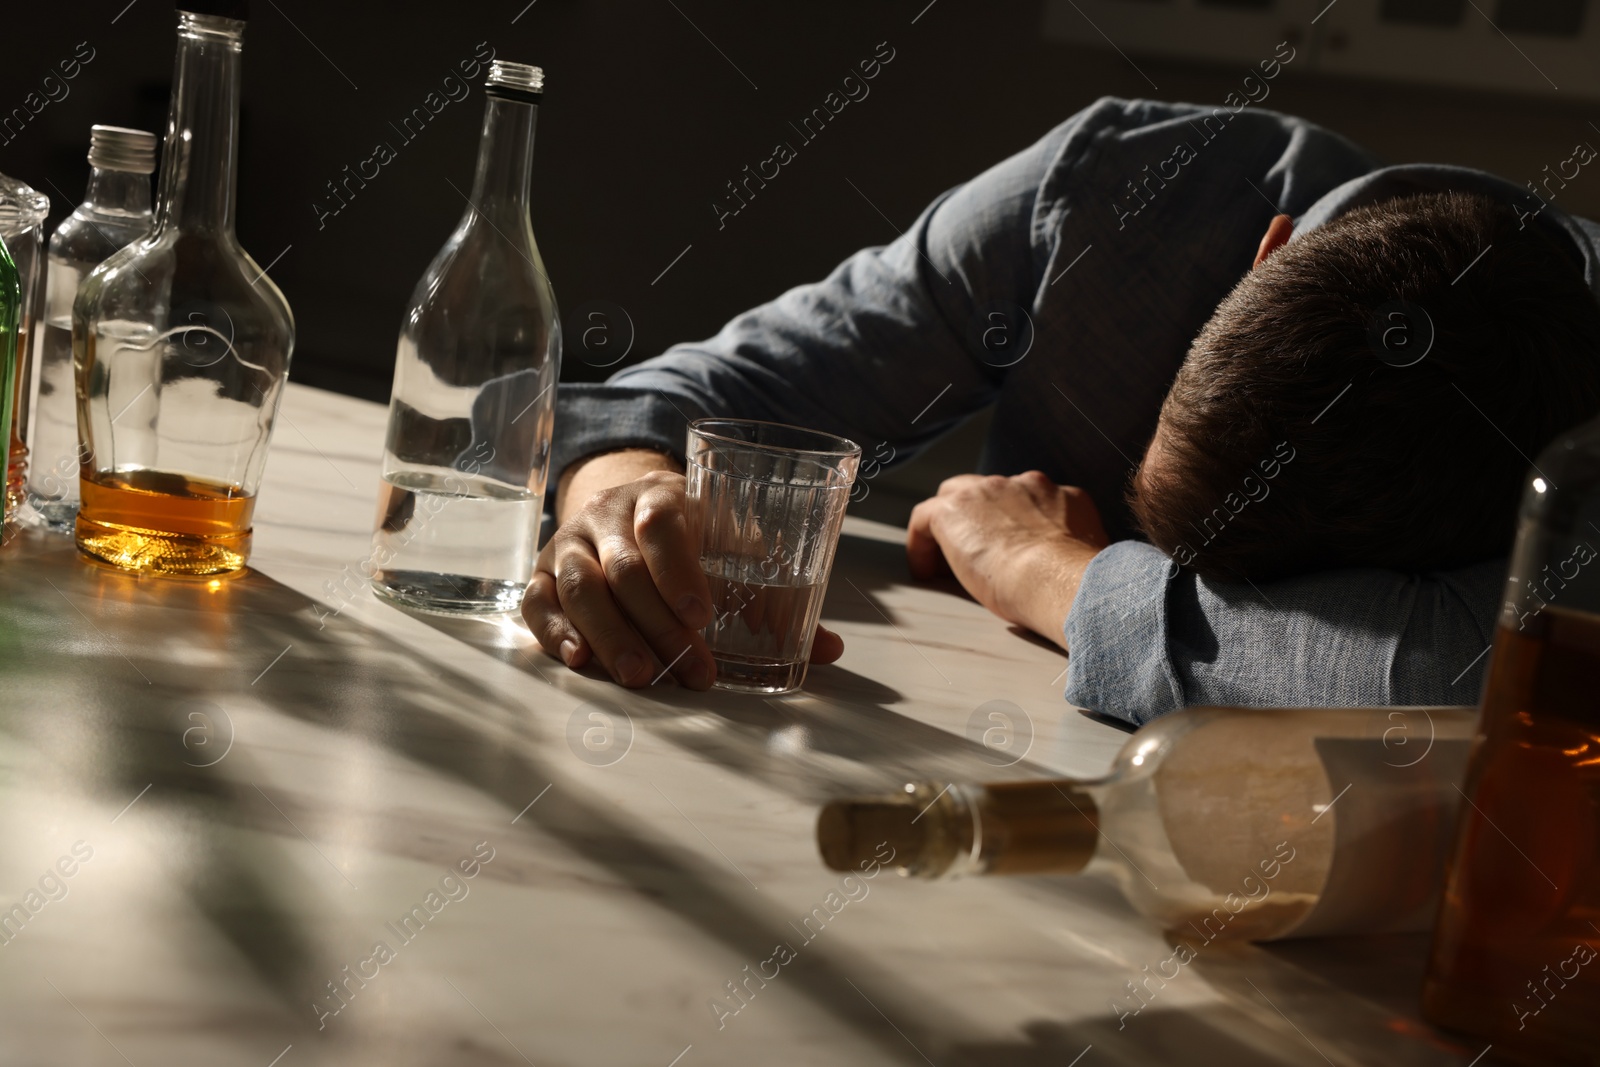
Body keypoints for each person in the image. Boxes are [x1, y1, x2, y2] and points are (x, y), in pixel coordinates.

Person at [522, 95, 1600, 726]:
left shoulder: (1575, 444)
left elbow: (1456, 679)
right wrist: (622, 495)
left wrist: (1051, 569)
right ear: (1263, 256)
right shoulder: (1107, 199)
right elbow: (681, 395)